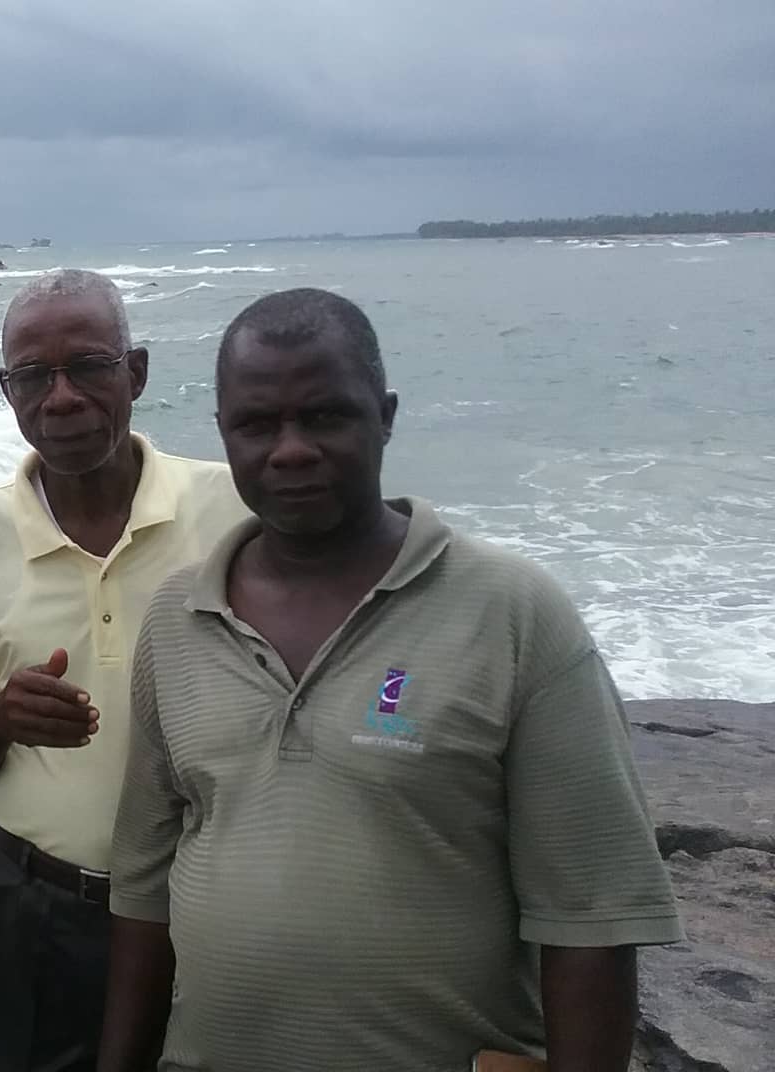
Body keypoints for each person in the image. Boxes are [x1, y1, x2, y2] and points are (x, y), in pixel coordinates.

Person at [98, 288, 684, 1071]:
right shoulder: (178, 618)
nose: (292, 448)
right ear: (224, 436)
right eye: (258, 424)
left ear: (386, 415)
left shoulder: (513, 615)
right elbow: (144, 890)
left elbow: (591, 921)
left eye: (326, 415)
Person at [0, 270, 246, 1072]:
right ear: (7, 391)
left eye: (88, 367)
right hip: (35, 914)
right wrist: (0, 717)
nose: (60, 397)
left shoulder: (234, 509)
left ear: (135, 372)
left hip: (210, 912)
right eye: (33, 376)